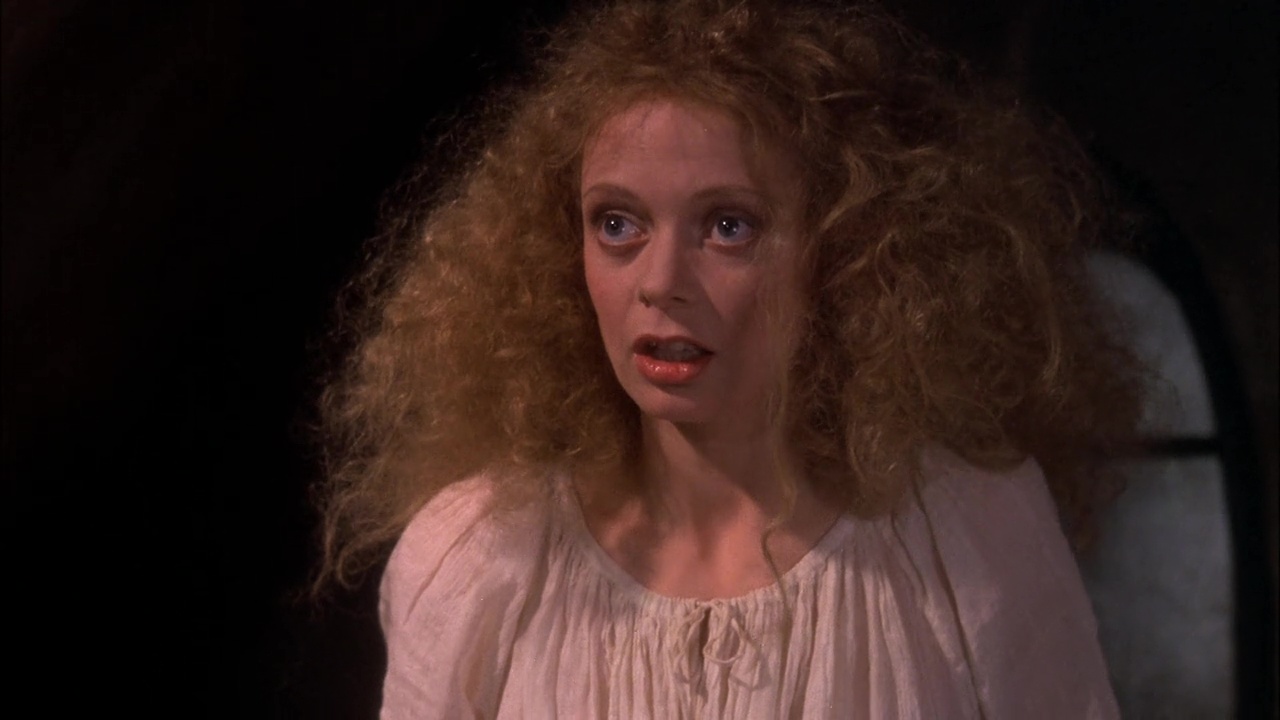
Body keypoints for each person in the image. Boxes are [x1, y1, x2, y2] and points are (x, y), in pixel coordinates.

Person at [315, 0, 1145, 716]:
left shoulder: (969, 535)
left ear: (844, 251)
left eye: (727, 226)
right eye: (617, 224)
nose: (661, 283)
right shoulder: (479, 558)